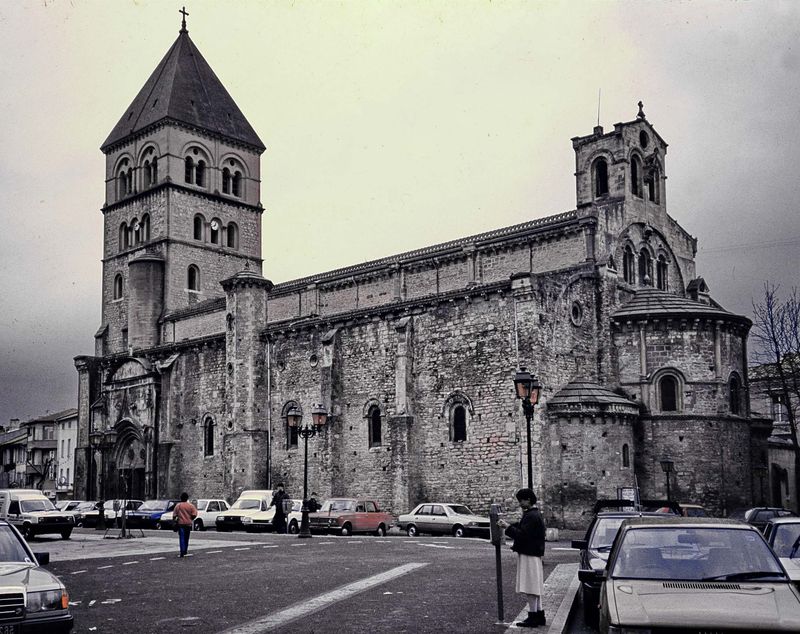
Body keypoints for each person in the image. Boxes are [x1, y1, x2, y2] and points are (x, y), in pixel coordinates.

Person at [497, 488, 546, 628]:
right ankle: (539, 615)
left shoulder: (531, 516)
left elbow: (522, 535)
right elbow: (523, 529)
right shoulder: (534, 514)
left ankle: (532, 617)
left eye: (521, 500)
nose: (520, 503)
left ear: (528, 500)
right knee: (535, 586)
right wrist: (511, 526)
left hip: (529, 554)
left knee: (530, 586)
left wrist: (507, 526)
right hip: (534, 554)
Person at [172, 492, 198, 558]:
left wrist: (175, 521)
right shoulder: (191, 506)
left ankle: (182, 551)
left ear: (181, 498)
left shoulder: (178, 505)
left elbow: (174, 515)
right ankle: (185, 550)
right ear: (187, 498)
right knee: (187, 538)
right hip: (188, 524)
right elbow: (194, 514)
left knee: (182, 538)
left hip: (181, 524)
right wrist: (190, 518)